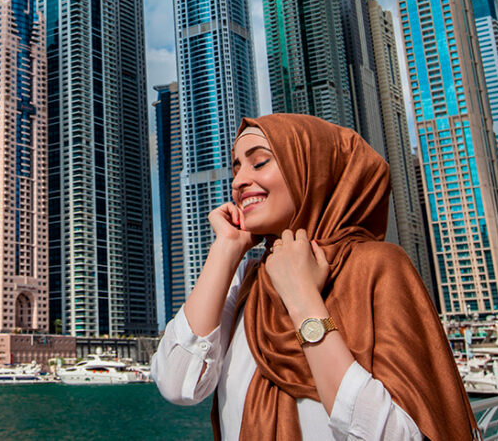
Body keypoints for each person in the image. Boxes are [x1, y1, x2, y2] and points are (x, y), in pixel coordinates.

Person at [151, 114, 479, 440]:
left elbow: (400, 435)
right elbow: (178, 384)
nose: (238, 182)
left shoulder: (375, 267)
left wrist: (303, 300)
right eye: (237, 169)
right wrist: (226, 247)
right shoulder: (249, 280)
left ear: (313, 172)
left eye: (259, 162)